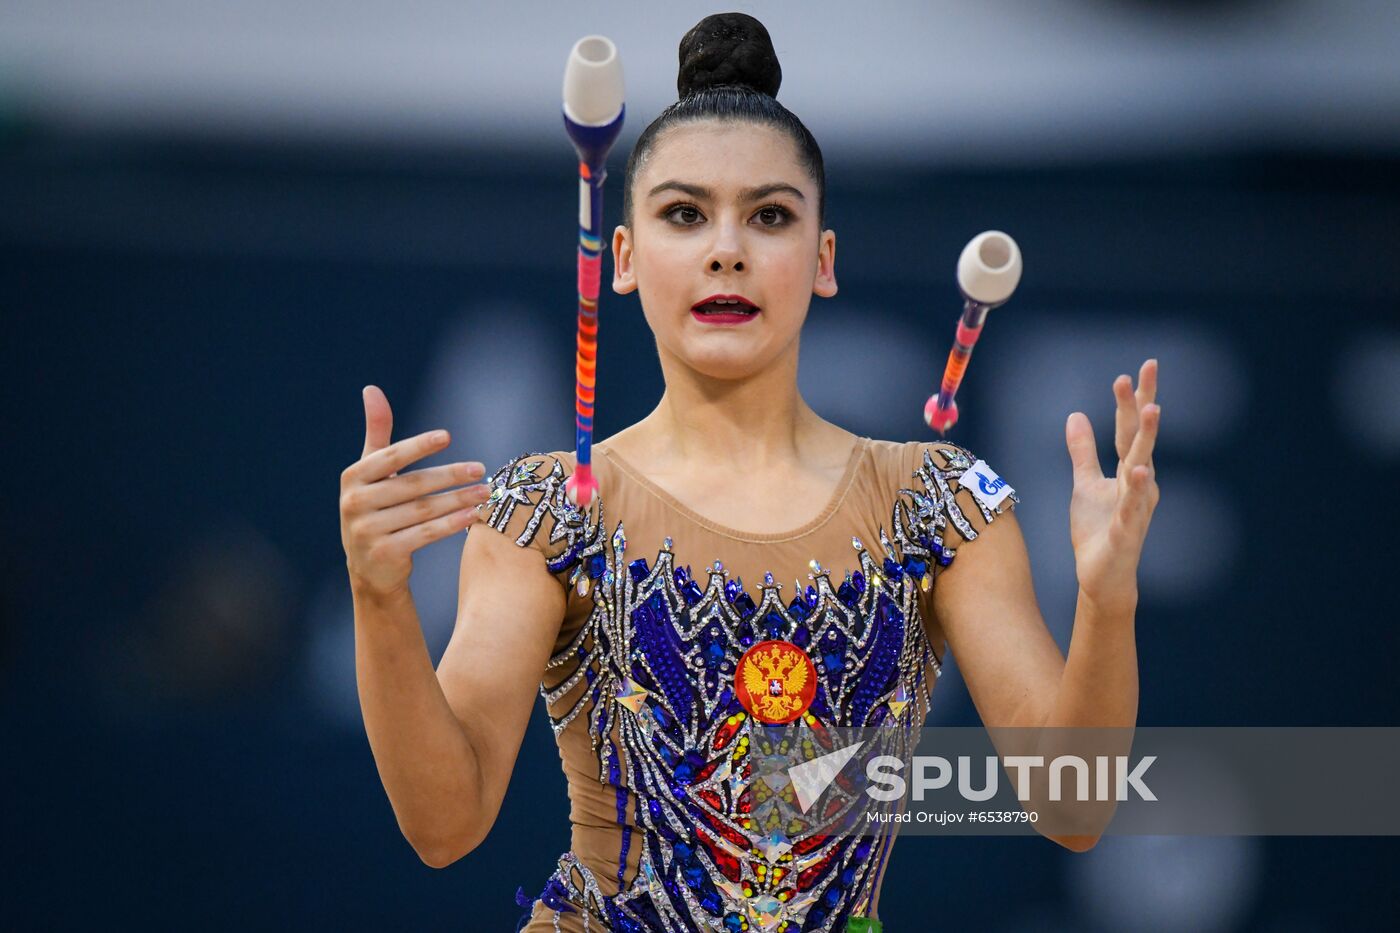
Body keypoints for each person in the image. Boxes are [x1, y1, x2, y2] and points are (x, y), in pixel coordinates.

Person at [338, 12, 1160, 932]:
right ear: (623, 258)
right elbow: (446, 824)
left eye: (769, 215)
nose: (727, 247)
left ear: (822, 260)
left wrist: (1106, 600)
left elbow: (1074, 809)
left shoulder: (937, 505)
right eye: (684, 214)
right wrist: (380, 599)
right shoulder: (551, 509)